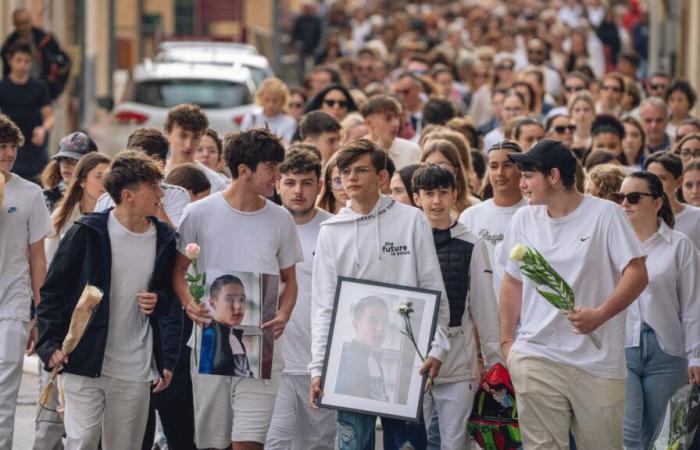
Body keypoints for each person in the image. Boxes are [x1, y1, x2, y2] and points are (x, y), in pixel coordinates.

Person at [499, 139, 648, 449]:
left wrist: (599, 315)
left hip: (598, 363)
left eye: (528, 175)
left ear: (554, 175)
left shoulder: (606, 215)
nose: (521, 183)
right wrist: (507, 344)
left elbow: (637, 273)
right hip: (536, 355)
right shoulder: (522, 219)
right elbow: (512, 282)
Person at [309, 139, 450, 450]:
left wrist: (437, 347)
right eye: (345, 172)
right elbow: (323, 306)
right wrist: (319, 366)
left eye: (361, 170)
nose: (352, 178)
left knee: (407, 446)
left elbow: (432, 288)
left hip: (407, 360)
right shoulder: (331, 231)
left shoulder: (411, 219)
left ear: (382, 177)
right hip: (347, 364)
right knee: (354, 446)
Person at [36, 150, 178, 450]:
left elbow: (170, 300)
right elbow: (53, 292)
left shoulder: (165, 239)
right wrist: (49, 345)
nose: (160, 194)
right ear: (128, 195)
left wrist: (160, 304)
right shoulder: (86, 233)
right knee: (83, 441)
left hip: (136, 367)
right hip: (84, 358)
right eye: (153, 187)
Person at [173, 129, 302, 450]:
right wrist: (190, 303)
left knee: (250, 442)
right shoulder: (198, 213)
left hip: (262, 341)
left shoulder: (280, 219)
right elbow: (178, 271)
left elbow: (290, 280)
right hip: (210, 341)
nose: (278, 175)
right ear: (244, 170)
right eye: (271, 167)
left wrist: (284, 312)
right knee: (213, 443)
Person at [411, 164, 501, 450]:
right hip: (414, 360)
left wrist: (493, 363)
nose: (436, 201)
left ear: (454, 194)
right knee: (415, 442)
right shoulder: (406, 242)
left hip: (458, 363)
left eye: (442, 193)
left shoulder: (472, 244)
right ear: (417, 198)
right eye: (429, 194)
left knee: (455, 443)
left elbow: (484, 308)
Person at [612, 171, 700, 450]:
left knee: (666, 437)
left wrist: (696, 355)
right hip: (622, 346)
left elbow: (693, 304)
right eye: (620, 197)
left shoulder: (679, 245)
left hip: (667, 350)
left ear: (657, 203)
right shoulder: (610, 243)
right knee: (627, 436)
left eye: (634, 197)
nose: (625, 203)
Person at [33, 151, 110, 450]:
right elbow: (49, 279)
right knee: (50, 416)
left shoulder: (115, 222)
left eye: (108, 178)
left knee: (89, 426)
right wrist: (40, 322)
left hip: (95, 329)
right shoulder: (61, 219)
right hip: (62, 322)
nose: (104, 184)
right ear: (82, 182)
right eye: (98, 177)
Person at [266, 146, 335, 450]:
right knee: (274, 441)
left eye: (306, 183)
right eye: (290, 183)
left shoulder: (335, 230)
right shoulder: (263, 226)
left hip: (321, 363)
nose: (298, 191)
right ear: (277, 184)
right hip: (273, 361)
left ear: (319, 186)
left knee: (317, 444)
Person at [0, 113, 52, 450]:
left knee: (5, 392)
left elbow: (37, 258)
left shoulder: (31, 193)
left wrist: (41, 313)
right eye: (1, 147)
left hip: (13, 304)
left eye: (12, 148)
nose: (8, 154)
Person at [459, 140, 527, 298]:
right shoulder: (470, 216)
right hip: (482, 312)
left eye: (508, 165)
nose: (500, 173)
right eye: (494, 166)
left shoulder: (534, 214)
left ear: (521, 169)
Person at [95, 127, 191, 229]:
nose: (138, 170)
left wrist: (155, 205)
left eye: (147, 166)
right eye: (132, 163)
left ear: (162, 164)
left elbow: (175, 241)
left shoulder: (176, 195)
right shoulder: (106, 200)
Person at [0, 41, 54, 182]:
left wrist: (43, 129)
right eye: (19, 60)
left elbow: (49, 117)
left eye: (26, 61)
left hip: (34, 147)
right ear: (10, 61)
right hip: (11, 148)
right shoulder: (2, 87)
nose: (22, 65)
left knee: (38, 185)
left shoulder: (39, 87)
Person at [1, 7, 71, 100]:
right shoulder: (8, 46)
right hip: (18, 92)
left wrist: (55, 83)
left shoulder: (45, 39)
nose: (22, 27)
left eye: (25, 23)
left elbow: (64, 62)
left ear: (30, 21)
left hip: (42, 89)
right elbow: (6, 72)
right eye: (19, 24)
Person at [335, 296, 391, 400]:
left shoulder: (374, 360)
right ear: (356, 322)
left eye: (385, 322)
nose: (381, 328)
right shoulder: (344, 360)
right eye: (372, 320)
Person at [163, 103, 228, 192]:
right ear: (167, 133)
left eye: (195, 137)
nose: (188, 145)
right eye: (183, 136)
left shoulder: (215, 183)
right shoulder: (154, 177)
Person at [199, 275, 254, 378]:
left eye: (242, 299)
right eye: (230, 299)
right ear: (212, 303)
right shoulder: (208, 336)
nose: (238, 306)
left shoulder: (235, 336)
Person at [645, 152, 700, 249]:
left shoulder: (697, 217)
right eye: (650, 178)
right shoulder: (638, 217)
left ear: (679, 182)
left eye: (662, 178)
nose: (654, 184)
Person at [41, 131, 97, 211]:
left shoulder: (101, 197)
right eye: (61, 159)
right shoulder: (47, 197)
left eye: (72, 160)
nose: (65, 165)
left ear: (91, 165)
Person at [362, 95, 421, 170]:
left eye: (397, 117)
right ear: (369, 122)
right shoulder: (355, 153)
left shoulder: (412, 150)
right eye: (388, 118)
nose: (396, 123)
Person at [241, 77, 297, 146]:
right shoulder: (252, 117)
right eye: (267, 100)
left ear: (282, 100)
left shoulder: (289, 122)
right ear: (260, 98)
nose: (270, 105)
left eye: (275, 101)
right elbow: (242, 141)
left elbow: (286, 146)